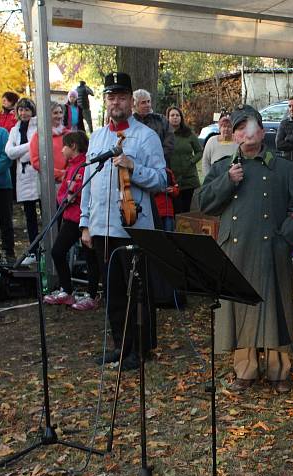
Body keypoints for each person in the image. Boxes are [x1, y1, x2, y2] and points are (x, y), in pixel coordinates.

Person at [199, 104, 293, 393]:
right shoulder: (224, 168)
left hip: (271, 251)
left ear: (262, 132)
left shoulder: (285, 168)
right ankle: (245, 370)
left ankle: (279, 370)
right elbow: (203, 204)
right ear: (234, 135)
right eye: (239, 128)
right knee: (239, 308)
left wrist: (282, 240)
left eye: (252, 126)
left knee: (276, 308)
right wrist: (227, 182)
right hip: (234, 251)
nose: (246, 133)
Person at [80, 72, 167, 371]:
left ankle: (140, 349)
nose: (116, 102)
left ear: (131, 101)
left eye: (121, 97)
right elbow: (87, 182)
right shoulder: (98, 137)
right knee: (113, 292)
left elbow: (160, 180)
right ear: (105, 101)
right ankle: (120, 345)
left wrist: (134, 166)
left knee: (137, 292)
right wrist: (84, 222)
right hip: (102, 229)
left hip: (132, 228)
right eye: (111, 97)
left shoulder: (146, 136)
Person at [43, 130, 100, 310]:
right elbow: (62, 195)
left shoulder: (85, 164)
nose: (61, 150)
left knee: (91, 257)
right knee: (57, 252)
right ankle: (67, 291)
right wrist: (66, 198)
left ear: (73, 146)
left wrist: (70, 197)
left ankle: (92, 295)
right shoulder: (71, 166)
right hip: (70, 218)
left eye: (64, 146)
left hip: (84, 220)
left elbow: (83, 193)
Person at [5, 98, 40, 264]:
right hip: (23, 175)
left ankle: (47, 248)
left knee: (46, 213)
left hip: (38, 173)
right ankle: (33, 252)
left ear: (32, 111)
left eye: (27, 109)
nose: (23, 113)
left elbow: (37, 148)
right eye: (21, 110)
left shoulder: (39, 126)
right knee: (30, 216)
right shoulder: (14, 129)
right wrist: (30, 146)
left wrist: (25, 150)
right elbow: (10, 153)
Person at [166, 105, 202, 213]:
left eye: (177, 115)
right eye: (172, 115)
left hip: (189, 178)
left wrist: (191, 161)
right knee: (176, 211)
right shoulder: (165, 135)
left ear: (181, 118)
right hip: (173, 179)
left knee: (187, 211)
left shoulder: (189, 134)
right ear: (167, 118)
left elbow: (199, 152)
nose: (175, 117)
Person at [132, 89, 174, 165]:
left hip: (160, 165)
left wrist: (156, 159)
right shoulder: (130, 123)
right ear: (135, 104)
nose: (147, 105)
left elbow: (169, 144)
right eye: (143, 103)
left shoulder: (161, 120)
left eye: (148, 101)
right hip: (136, 167)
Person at [30, 101, 69, 182]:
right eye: (55, 113)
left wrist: (68, 173)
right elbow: (36, 162)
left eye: (61, 112)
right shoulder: (39, 136)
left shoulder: (68, 134)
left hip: (68, 179)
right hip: (48, 182)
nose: (59, 116)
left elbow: (76, 157)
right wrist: (59, 174)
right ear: (47, 115)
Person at [0, 126, 14, 262]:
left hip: (2, 185)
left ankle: (8, 253)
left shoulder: (2, 133)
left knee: (5, 221)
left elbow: (7, 157)